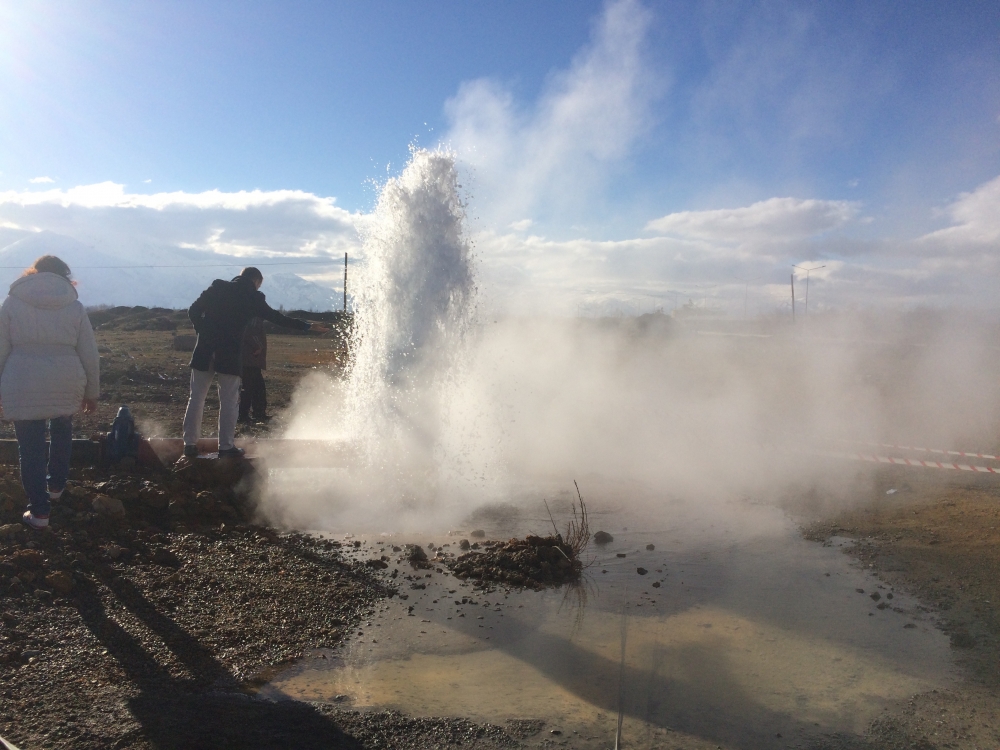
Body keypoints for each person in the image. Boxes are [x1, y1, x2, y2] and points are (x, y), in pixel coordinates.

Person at [183, 267, 327, 458]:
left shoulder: (217, 287)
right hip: (230, 354)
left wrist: (203, 332)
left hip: (204, 349)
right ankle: (226, 447)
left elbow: (193, 310)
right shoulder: (254, 298)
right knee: (229, 401)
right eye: (260, 284)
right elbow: (278, 318)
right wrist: (307, 326)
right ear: (257, 281)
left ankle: (189, 445)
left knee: (197, 397)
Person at [0, 255, 99, 530]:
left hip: (23, 380)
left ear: (34, 273)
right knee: (62, 429)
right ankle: (55, 486)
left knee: (29, 447)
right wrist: (92, 391)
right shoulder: (74, 306)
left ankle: (40, 511)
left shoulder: (11, 303)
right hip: (66, 378)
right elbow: (89, 353)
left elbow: (0, 350)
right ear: (64, 277)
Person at [238, 316, 268, 424]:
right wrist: (258, 346)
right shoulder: (253, 317)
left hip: (251, 359)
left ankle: (258, 413)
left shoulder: (252, 316)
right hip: (250, 358)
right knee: (249, 388)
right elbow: (249, 332)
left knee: (257, 387)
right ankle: (243, 415)